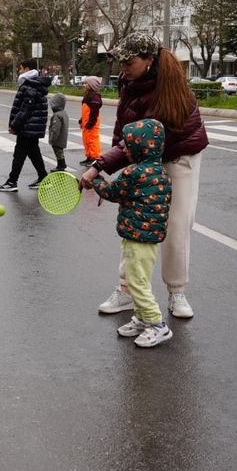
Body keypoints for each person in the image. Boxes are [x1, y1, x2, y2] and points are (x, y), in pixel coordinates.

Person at [79, 32, 208, 318]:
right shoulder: (130, 79)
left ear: (149, 60)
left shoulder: (171, 86)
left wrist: (99, 166)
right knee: (135, 221)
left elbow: (147, 134)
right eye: (121, 62)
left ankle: (177, 292)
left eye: (129, 62)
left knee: (176, 225)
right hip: (142, 152)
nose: (123, 68)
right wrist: (111, 164)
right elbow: (125, 130)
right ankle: (127, 290)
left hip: (179, 155)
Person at [90, 118, 173, 347]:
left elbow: (112, 192)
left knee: (137, 282)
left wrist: (96, 180)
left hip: (137, 238)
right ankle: (142, 319)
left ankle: (157, 324)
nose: (124, 149)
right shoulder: (162, 173)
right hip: (147, 239)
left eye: (128, 145)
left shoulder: (133, 173)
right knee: (138, 278)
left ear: (140, 148)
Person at [0, 58, 50, 192]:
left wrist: (14, 125)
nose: (19, 71)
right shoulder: (35, 84)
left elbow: (25, 110)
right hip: (32, 127)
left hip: (27, 127)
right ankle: (43, 177)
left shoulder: (28, 86)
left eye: (21, 68)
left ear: (27, 69)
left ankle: (12, 181)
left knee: (19, 155)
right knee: (34, 153)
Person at [78, 76, 103, 166]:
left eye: (86, 83)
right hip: (86, 123)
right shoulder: (88, 96)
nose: (84, 85)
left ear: (92, 85)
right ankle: (89, 156)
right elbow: (85, 111)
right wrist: (81, 120)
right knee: (86, 141)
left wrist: (90, 123)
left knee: (92, 141)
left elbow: (94, 114)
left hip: (92, 124)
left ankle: (95, 158)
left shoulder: (95, 98)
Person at [47, 92, 70, 172]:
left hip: (58, 139)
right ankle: (61, 164)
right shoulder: (63, 113)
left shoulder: (57, 115)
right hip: (62, 137)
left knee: (58, 152)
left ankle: (61, 165)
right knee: (60, 152)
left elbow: (55, 129)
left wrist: (52, 139)